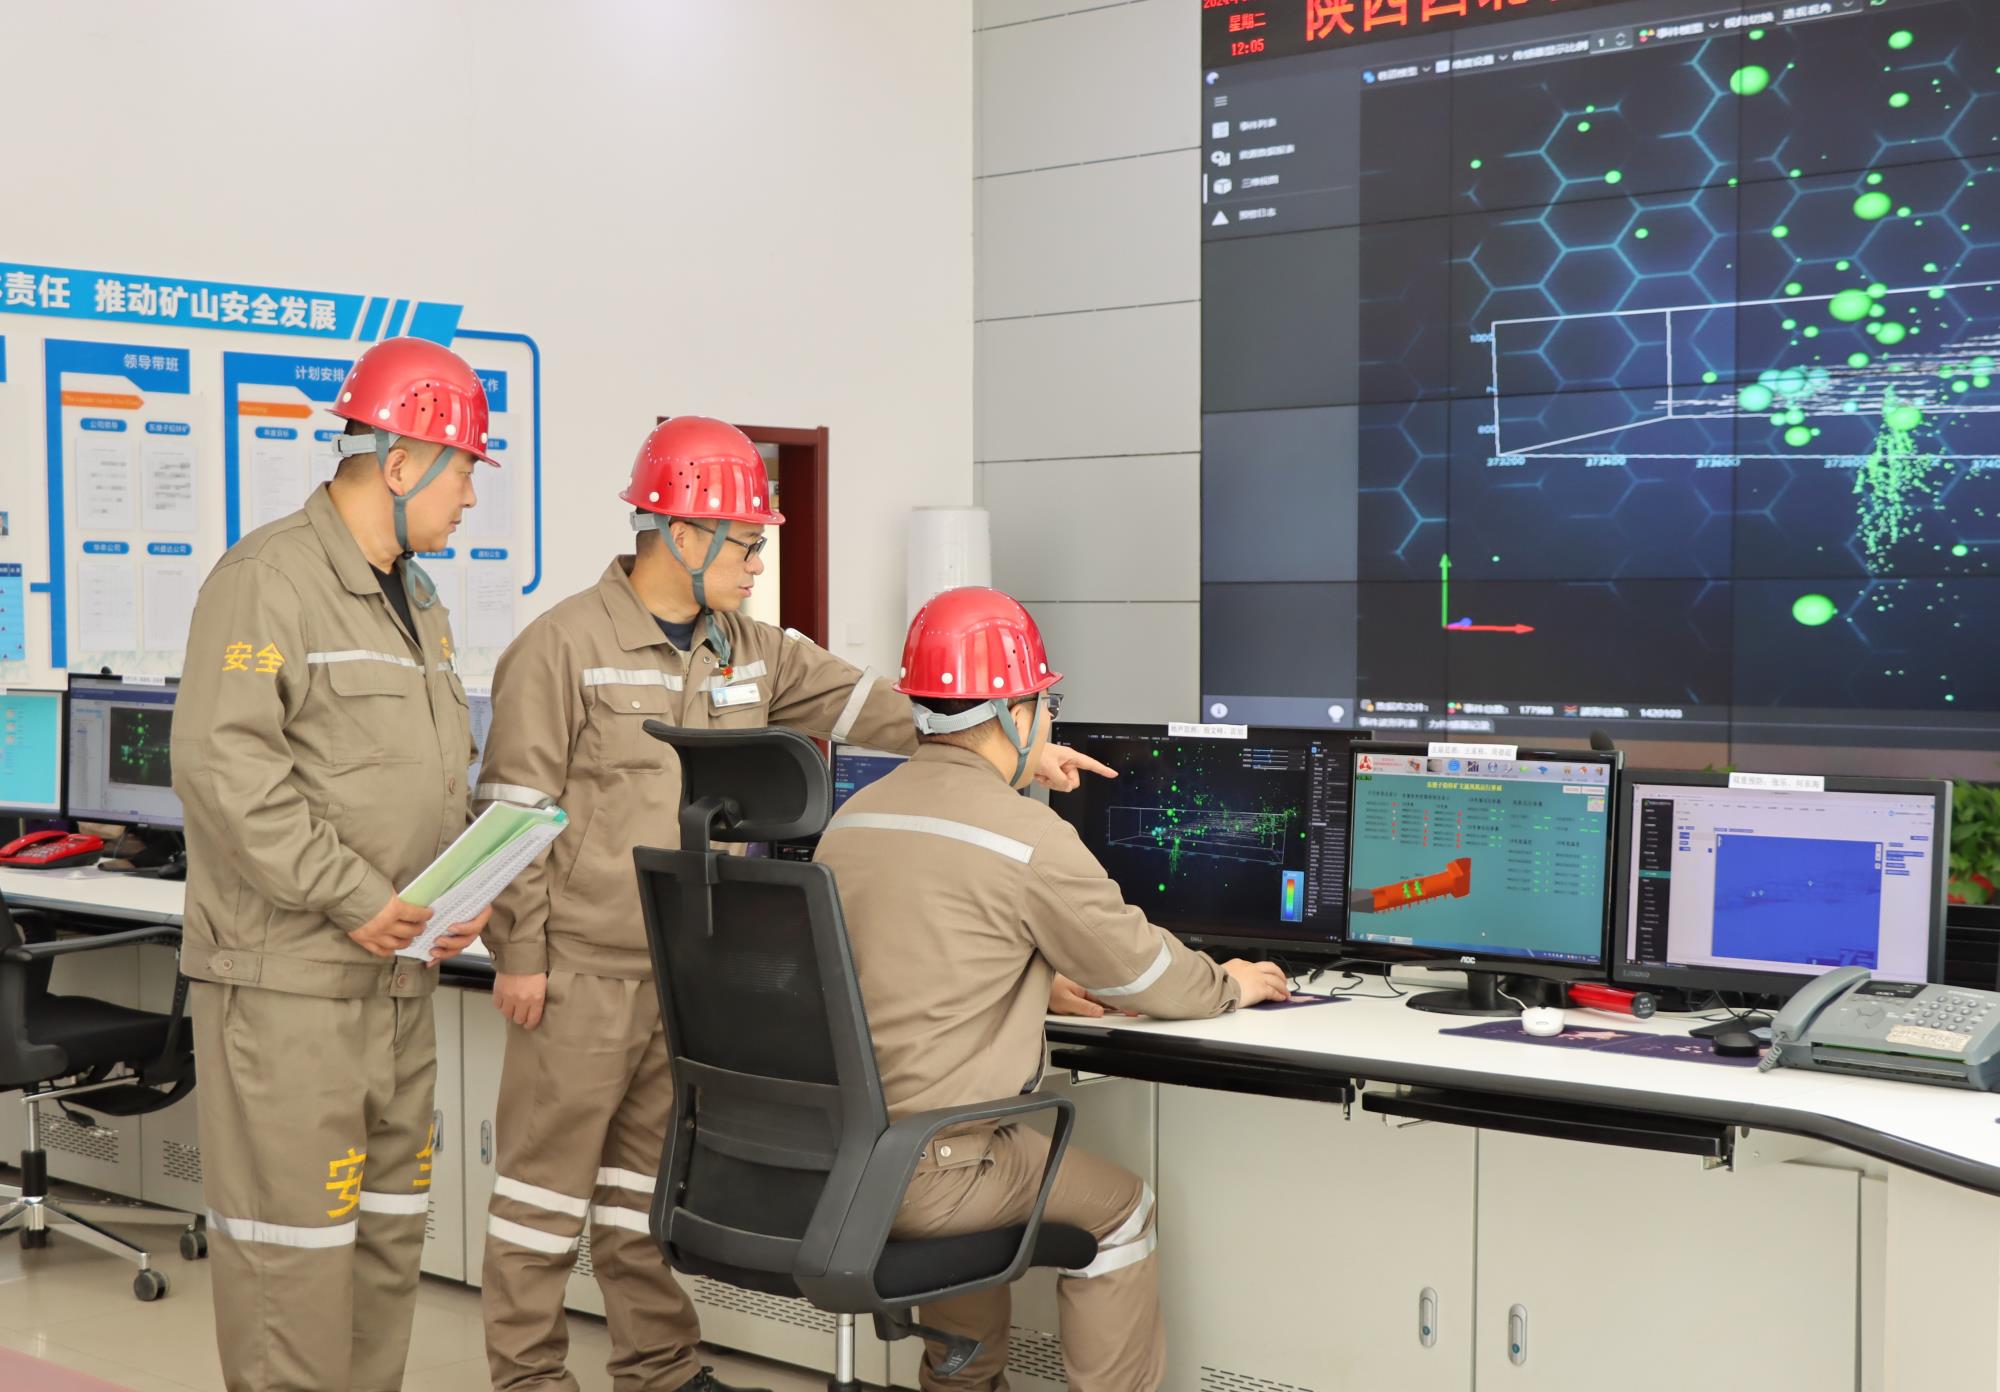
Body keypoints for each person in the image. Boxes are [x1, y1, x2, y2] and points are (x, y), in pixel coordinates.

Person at [475, 417, 1112, 1392]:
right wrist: (520, 953)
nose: (756, 563)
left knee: (646, 1192)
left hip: (691, 977)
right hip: (582, 974)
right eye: (743, 544)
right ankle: (526, 1379)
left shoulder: (752, 649)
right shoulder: (560, 647)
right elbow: (512, 814)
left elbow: (876, 707)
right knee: (542, 1198)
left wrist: (1009, 744)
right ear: (678, 532)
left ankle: (658, 1371)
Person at [813, 587, 1291, 1392]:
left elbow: (896, 964)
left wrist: (1028, 981)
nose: (1047, 720)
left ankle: (961, 1384)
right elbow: (1146, 974)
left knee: (969, 1159)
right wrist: (1230, 984)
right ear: (1014, 713)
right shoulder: (1028, 835)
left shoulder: (853, 817)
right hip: (935, 1168)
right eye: (1045, 704)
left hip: (838, 1157)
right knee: (1124, 1211)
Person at [170, 336, 498, 1391]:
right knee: (295, 1260)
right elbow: (224, 770)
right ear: (398, 465)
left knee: (386, 1245)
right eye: (462, 474)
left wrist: (462, 888)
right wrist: (356, 896)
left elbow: (423, 771)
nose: (470, 500)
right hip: (292, 985)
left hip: (397, 976)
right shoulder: (268, 580)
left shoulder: (418, 598)